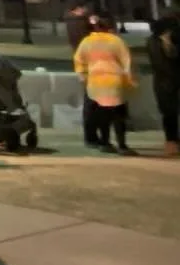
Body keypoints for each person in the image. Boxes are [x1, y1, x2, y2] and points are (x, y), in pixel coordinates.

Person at [73, 13, 136, 154]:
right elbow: (127, 62)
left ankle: (105, 143)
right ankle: (122, 145)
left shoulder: (86, 42)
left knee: (103, 116)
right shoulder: (116, 41)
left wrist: (83, 77)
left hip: (96, 83)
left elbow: (79, 61)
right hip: (115, 82)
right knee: (119, 115)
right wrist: (129, 80)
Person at [148, 15, 179, 157]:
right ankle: (171, 141)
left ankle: (173, 141)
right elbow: (160, 64)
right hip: (165, 83)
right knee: (169, 113)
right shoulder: (154, 42)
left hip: (171, 82)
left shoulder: (174, 39)